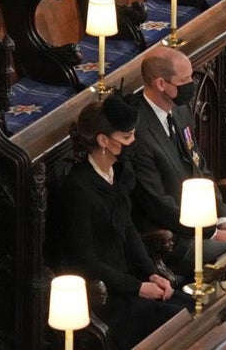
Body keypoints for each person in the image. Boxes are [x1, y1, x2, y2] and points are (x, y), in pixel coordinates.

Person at [58, 95, 192, 349]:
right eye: (127, 137)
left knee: (195, 308)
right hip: (106, 296)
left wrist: (151, 272)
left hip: (132, 281)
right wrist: (138, 287)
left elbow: (128, 229)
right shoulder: (79, 189)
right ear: (103, 140)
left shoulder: (118, 172)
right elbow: (85, 259)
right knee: (179, 321)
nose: (133, 143)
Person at [129, 47, 226, 277]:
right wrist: (209, 233)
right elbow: (157, 202)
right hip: (175, 238)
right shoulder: (139, 131)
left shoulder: (179, 110)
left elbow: (199, 165)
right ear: (161, 84)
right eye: (184, 80)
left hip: (205, 219)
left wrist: (221, 218)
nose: (191, 84)